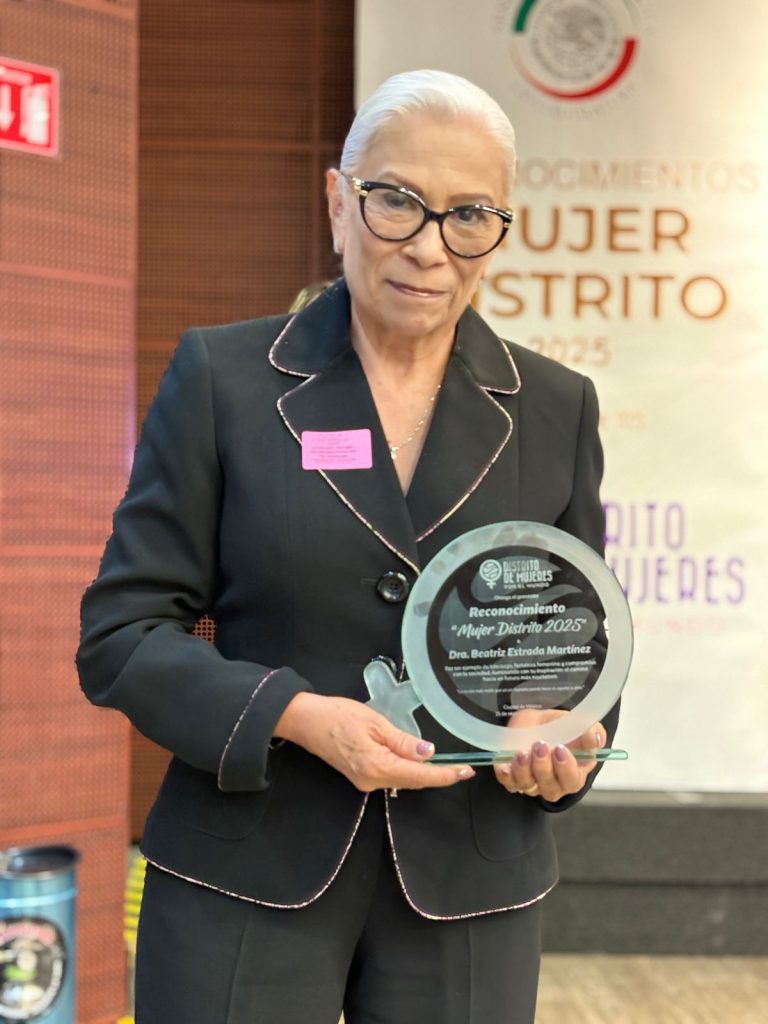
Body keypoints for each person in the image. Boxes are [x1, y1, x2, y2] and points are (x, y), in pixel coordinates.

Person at [77, 68, 619, 1024]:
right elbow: (122, 636)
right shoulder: (225, 379)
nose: (429, 248)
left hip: (469, 883)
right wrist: (295, 714)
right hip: (246, 870)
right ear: (339, 201)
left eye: (468, 216)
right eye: (396, 202)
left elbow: (578, 638)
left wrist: (570, 737)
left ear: (499, 231)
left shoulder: (555, 409)